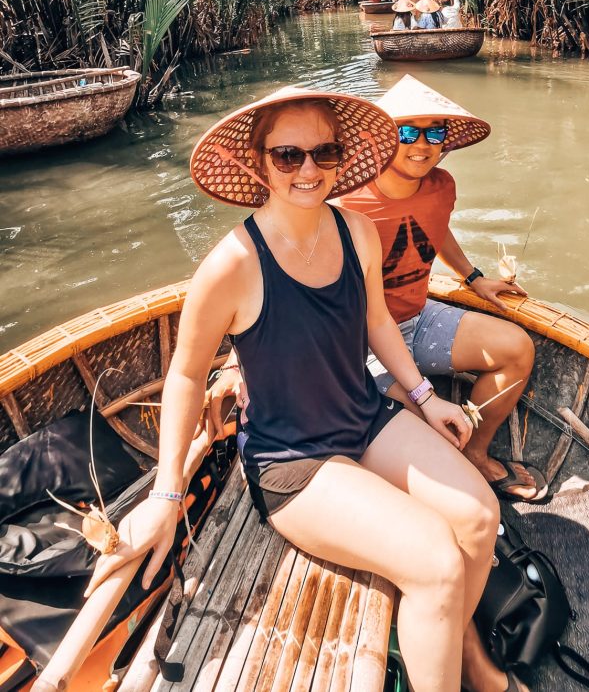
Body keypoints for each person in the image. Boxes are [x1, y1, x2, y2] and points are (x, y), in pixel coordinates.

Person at [86, 86, 511, 692]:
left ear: (341, 158)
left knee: (479, 517)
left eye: (324, 152)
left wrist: (425, 397)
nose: (308, 170)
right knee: (438, 564)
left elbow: (378, 323)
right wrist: (165, 493)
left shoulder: (358, 232)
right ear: (259, 163)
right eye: (288, 156)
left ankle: (462, 651)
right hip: (294, 463)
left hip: (363, 418)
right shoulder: (232, 265)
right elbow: (183, 374)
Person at [339, 75, 546, 502]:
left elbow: (435, 231)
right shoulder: (345, 201)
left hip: (418, 319)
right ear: (382, 138)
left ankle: (476, 452)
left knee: (516, 349)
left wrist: (472, 276)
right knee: (429, 435)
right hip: (360, 344)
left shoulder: (441, 186)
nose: (422, 144)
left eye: (434, 132)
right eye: (407, 132)